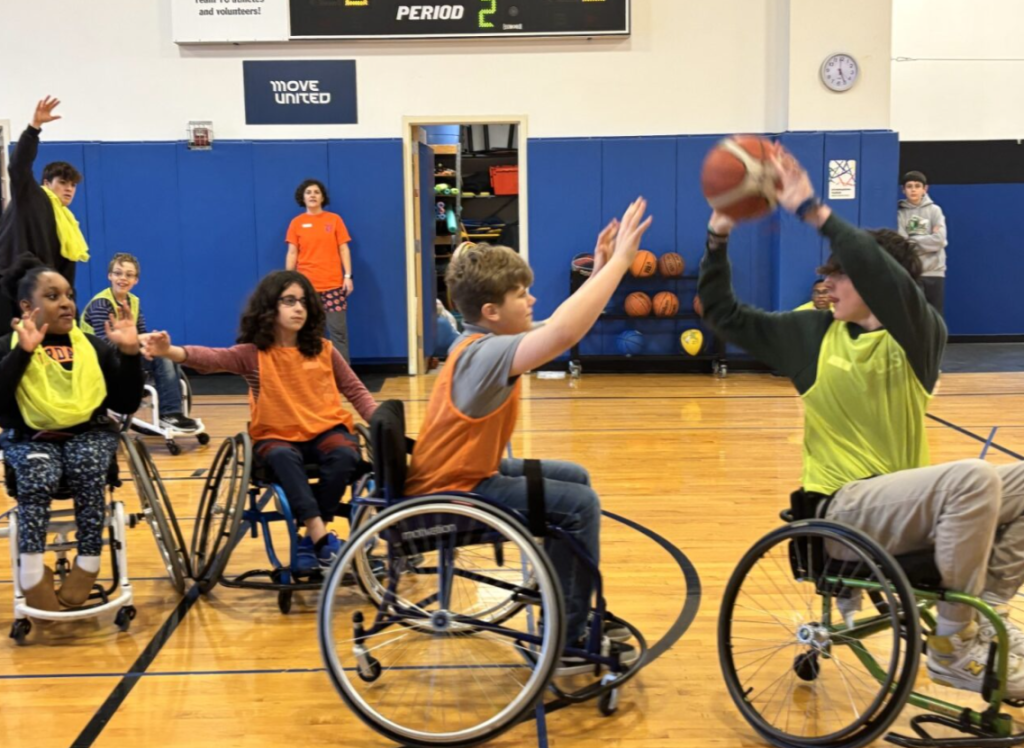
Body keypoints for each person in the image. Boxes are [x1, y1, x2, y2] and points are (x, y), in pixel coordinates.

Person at [698, 149, 1024, 698]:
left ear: (876, 283)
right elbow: (722, 312)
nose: (830, 287)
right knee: (974, 477)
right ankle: (948, 648)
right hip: (843, 511)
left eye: (840, 276)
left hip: (909, 507)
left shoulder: (919, 334)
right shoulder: (810, 333)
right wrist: (719, 232)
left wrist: (813, 209)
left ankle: (983, 616)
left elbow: (878, 272)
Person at [403, 198, 652, 670]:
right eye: (523, 294)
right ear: (493, 310)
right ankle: (565, 635)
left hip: (464, 474)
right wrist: (620, 262)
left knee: (574, 479)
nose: (532, 299)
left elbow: (560, 326)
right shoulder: (486, 353)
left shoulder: (480, 340)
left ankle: (569, 596)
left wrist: (598, 269)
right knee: (580, 506)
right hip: (455, 490)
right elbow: (560, 333)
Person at [142, 270, 377, 571]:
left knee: (346, 453)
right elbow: (211, 358)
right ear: (270, 307)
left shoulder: (324, 350)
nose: (299, 308)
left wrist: (383, 426)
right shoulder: (254, 355)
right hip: (276, 436)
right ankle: (321, 539)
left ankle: (312, 540)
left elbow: (356, 391)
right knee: (282, 457)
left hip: (324, 430)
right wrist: (169, 352)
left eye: (304, 302)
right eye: (289, 301)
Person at [0, 261, 143, 614]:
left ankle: (89, 562)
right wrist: (23, 353)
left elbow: (125, 403)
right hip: (30, 438)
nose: (66, 303)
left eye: (69, 295)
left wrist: (128, 353)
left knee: (88, 465)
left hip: (88, 433)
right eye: (53, 296)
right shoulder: (9, 345)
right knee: (38, 474)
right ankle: (32, 571)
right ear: (26, 307)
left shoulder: (93, 347)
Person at [80, 253, 199, 433]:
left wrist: (150, 341)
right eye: (118, 273)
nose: (123, 278)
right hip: (99, 361)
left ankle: (173, 414)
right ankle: (169, 414)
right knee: (162, 359)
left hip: (125, 354)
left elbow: (141, 332)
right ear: (109, 276)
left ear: (136, 280)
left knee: (165, 353)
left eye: (129, 275)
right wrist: (138, 342)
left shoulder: (133, 301)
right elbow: (105, 345)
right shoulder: (101, 304)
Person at [0, 97, 89, 319]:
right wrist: (34, 128)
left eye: (73, 185)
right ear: (47, 183)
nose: (69, 189)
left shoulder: (67, 222)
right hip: (11, 292)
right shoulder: (31, 196)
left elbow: (65, 270)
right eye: (62, 183)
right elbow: (18, 165)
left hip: (44, 296)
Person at [285, 179, 354, 362]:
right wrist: (287, 281)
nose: (313, 195)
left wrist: (348, 276)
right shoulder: (296, 223)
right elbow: (292, 253)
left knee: (338, 333)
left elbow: (344, 249)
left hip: (333, 285)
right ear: (303, 197)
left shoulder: (334, 220)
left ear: (322, 197)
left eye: (316, 192)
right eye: (308, 192)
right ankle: (309, 373)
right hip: (306, 288)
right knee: (307, 333)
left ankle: (342, 375)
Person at [898, 170, 948, 315]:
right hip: (912, 272)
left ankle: (933, 339)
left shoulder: (935, 211)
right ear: (903, 190)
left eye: (917, 186)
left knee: (935, 315)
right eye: (909, 186)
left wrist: (913, 240)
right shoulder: (899, 213)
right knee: (914, 315)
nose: (913, 189)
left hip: (935, 271)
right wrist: (928, 240)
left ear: (925, 189)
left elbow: (940, 240)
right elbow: (903, 243)